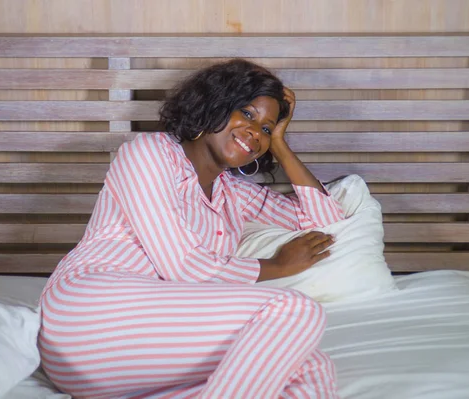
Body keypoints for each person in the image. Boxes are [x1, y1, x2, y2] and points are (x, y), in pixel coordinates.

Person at [38, 59, 345, 399]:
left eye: (266, 130)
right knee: (295, 310)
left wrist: (282, 145)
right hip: (86, 317)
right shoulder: (149, 153)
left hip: (154, 344)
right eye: (246, 114)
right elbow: (182, 266)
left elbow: (326, 221)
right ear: (215, 104)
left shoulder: (234, 194)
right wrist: (278, 267)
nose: (255, 133)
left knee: (312, 366)